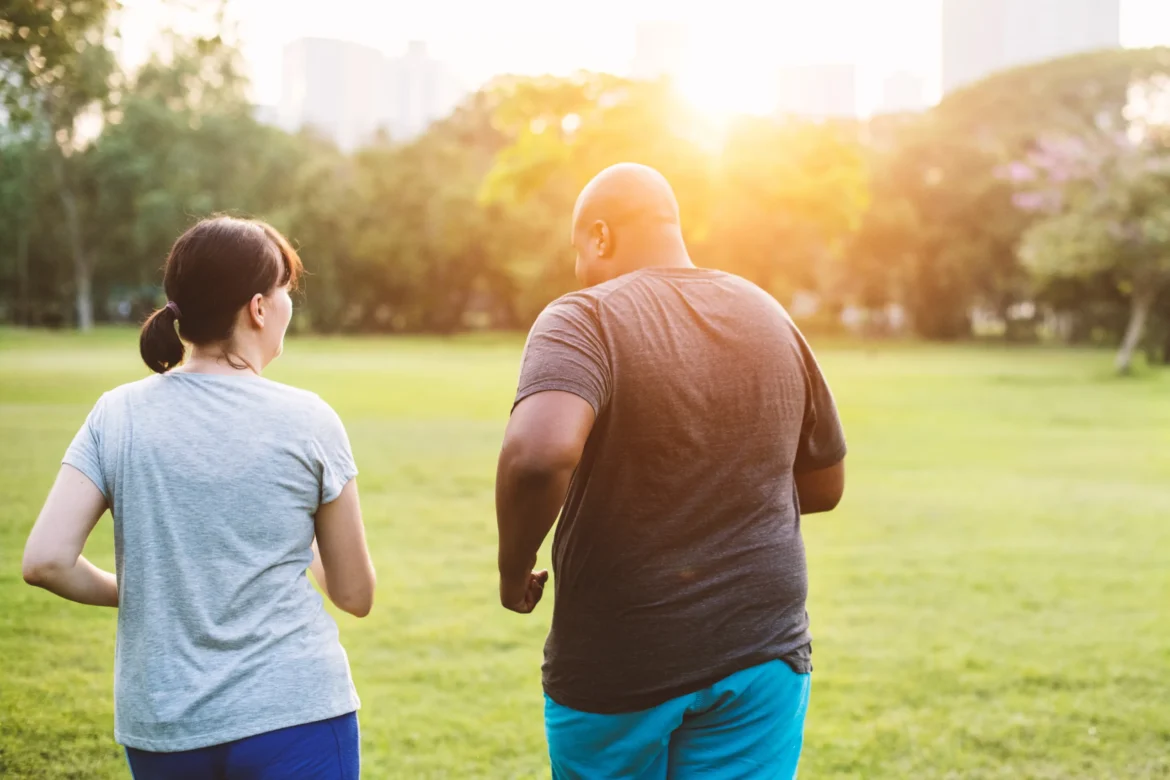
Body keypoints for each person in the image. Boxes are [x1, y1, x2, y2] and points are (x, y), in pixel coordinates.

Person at [495, 164, 847, 779]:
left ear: (600, 237)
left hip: (624, 655)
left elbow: (538, 456)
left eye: (579, 250)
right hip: (763, 651)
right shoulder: (768, 314)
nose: (579, 268)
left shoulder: (583, 318)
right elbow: (824, 485)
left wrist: (513, 569)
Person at [22, 216, 376, 779]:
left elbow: (45, 561)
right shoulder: (309, 419)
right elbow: (356, 594)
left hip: (163, 725)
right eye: (286, 289)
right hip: (295, 712)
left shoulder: (117, 413)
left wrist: (141, 593)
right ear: (258, 308)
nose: (289, 303)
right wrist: (303, 542)